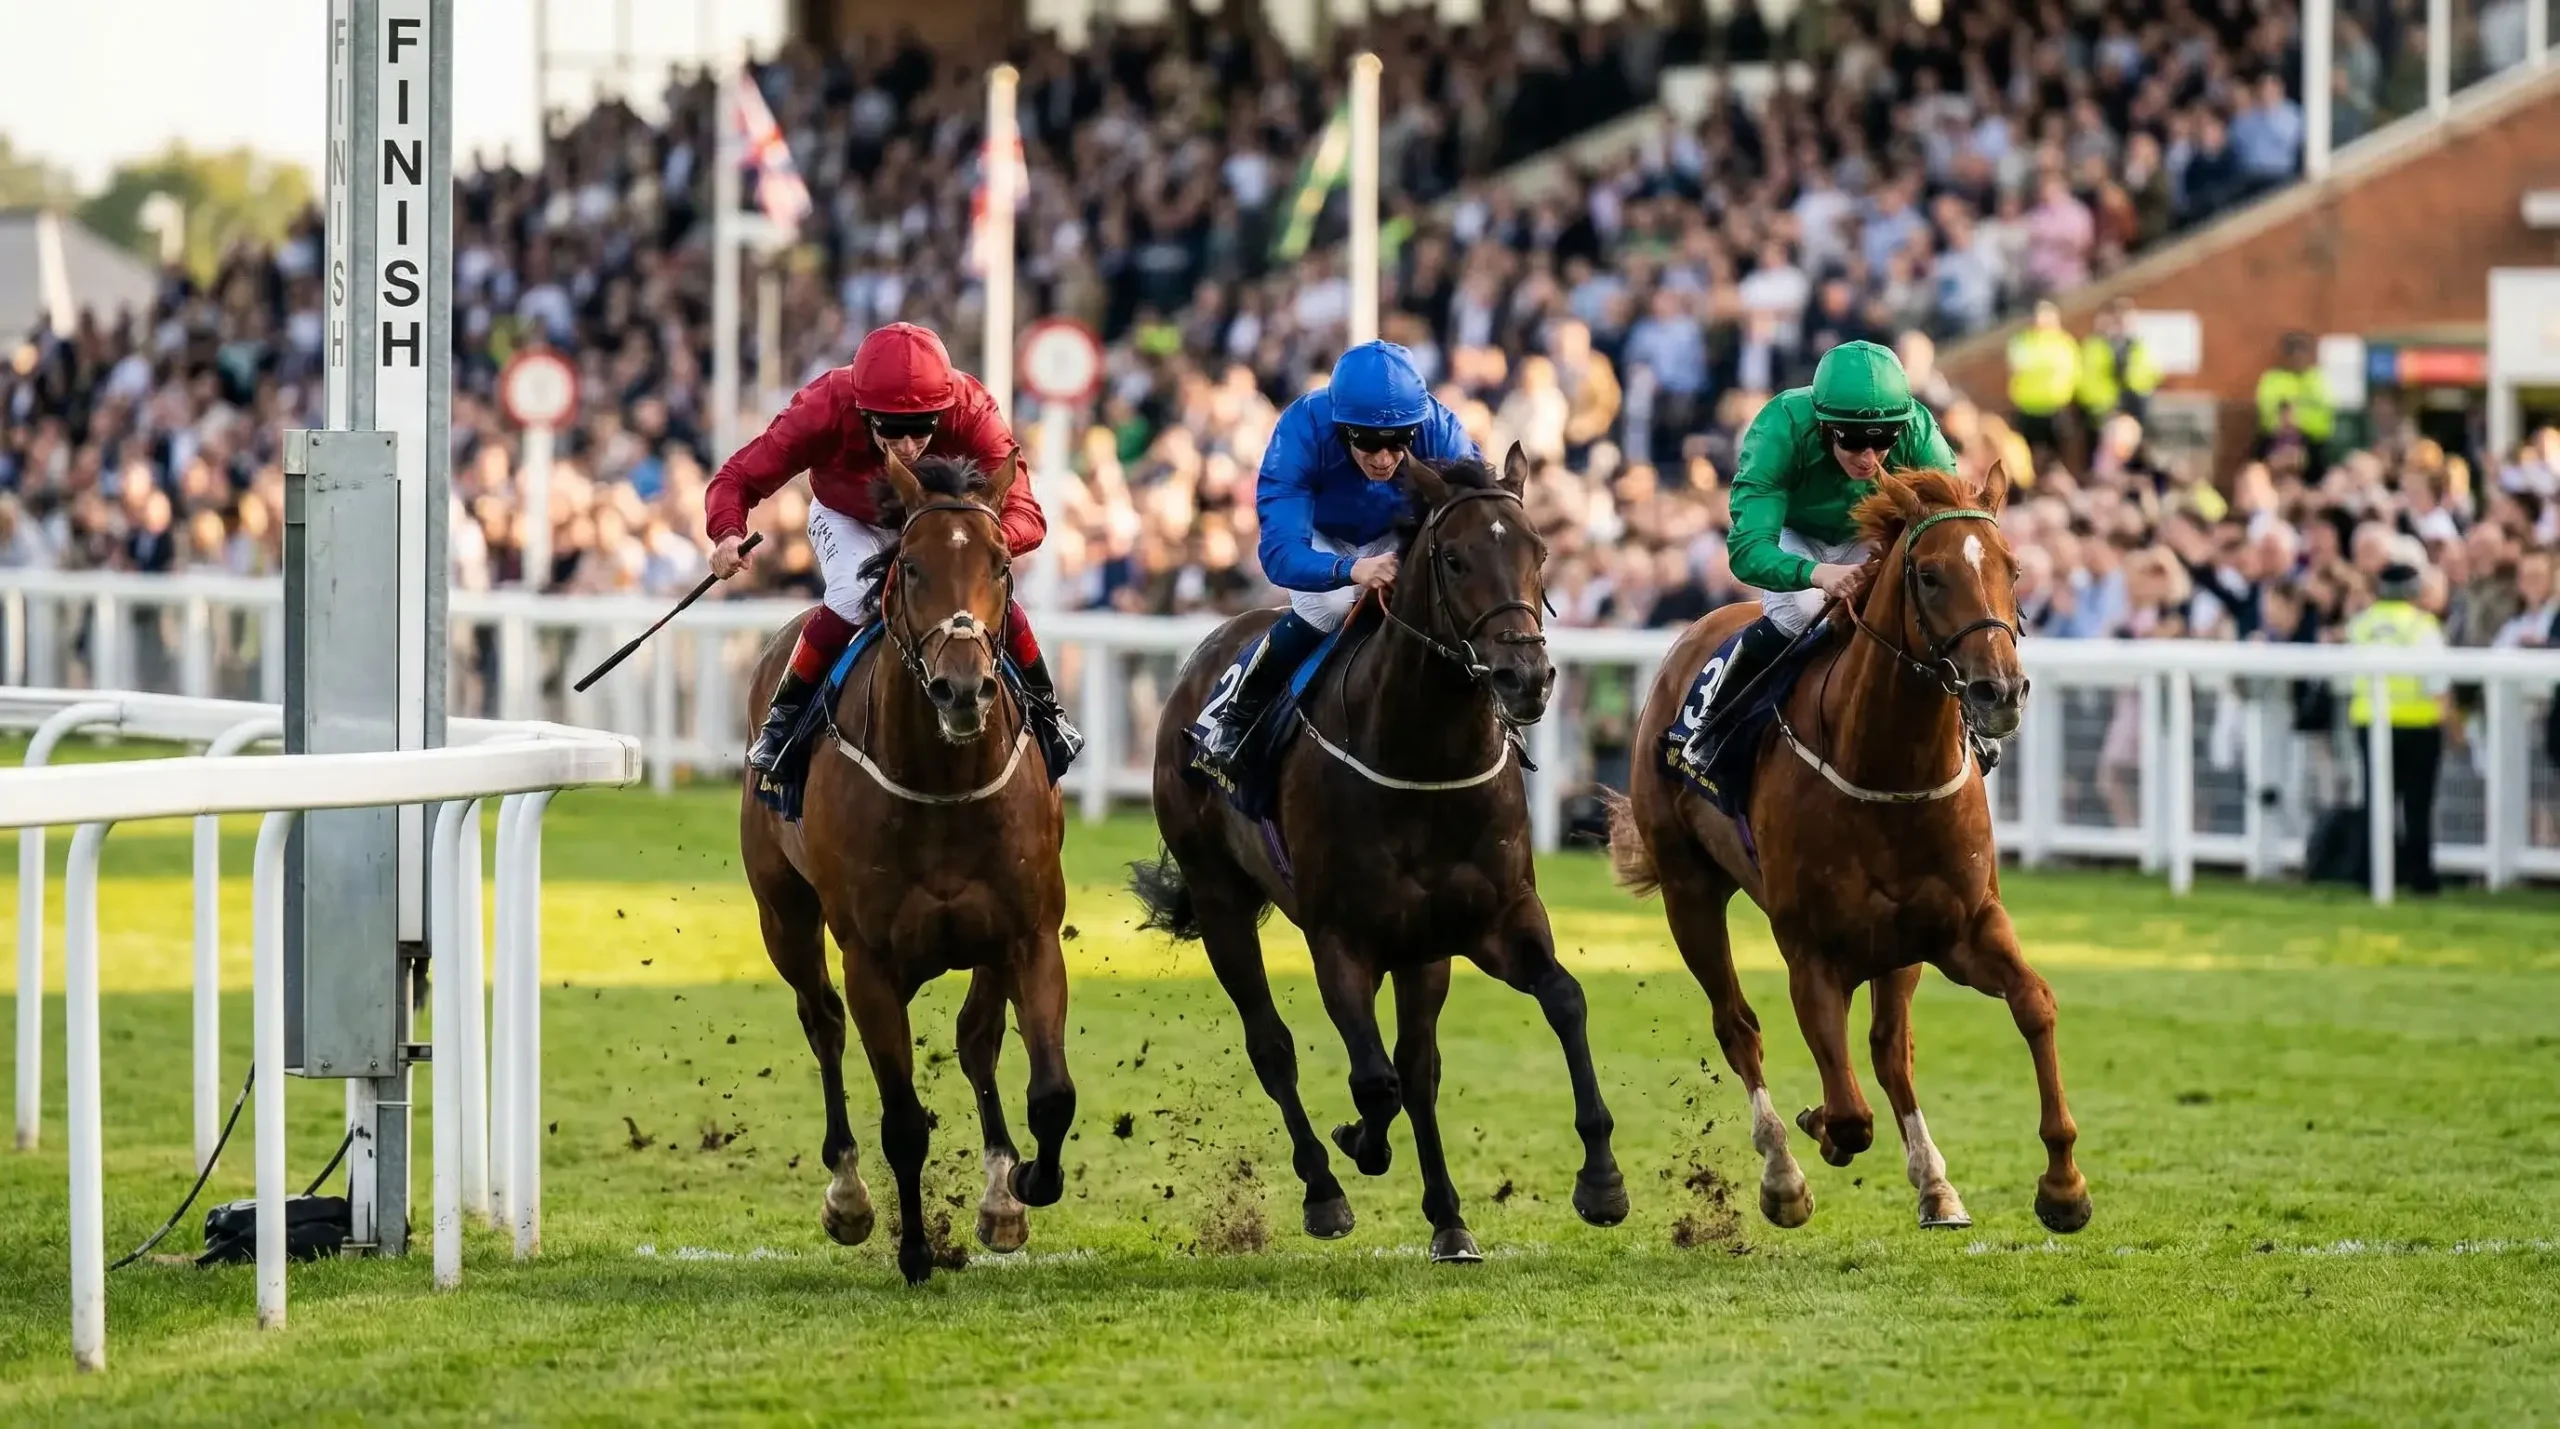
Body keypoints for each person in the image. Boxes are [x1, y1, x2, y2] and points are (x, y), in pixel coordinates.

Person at [706, 322, 1081, 775]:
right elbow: (739, 477)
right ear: (863, 413)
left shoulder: (971, 407)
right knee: (852, 595)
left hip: (939, 524)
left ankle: (1047, 711)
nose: (908, 447)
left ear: (944, 410)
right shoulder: (824, 404)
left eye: (922, 428)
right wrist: (727, 531)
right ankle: (782, 722)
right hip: (848, 518)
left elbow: (1026, 512)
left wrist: (974, 543)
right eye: (892, 429)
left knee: (981, 596)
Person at [1690, 338, 2005, 771]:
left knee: (1923, 609)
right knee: (1800, 611)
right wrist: (1818, 573)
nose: (1870, 459)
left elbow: (1953, 532)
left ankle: (1967, 719)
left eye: (1884, 441)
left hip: (1871, 535)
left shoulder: (1919, 429)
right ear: (1823, 426)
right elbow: (1748, 551)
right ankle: (1716, 726)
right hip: (1795, 533)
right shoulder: (1779, 429)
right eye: (1854, 441)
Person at [1193, 340, 1479, 778]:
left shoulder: (1439, 428)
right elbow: (1280, 554)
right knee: (1329, 606)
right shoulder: (1302, 431)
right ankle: (1236, 717)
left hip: (1400, 531)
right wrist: (1350, 570)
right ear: (1342, 428)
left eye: (1399, 441)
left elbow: (1476, 516)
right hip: (1323, 536)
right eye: (1367, 442)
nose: (1385, 458)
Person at [2345, 561, 2453, 895]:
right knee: (2417, 806)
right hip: (2418, 725)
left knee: (2376, 803)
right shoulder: (2423, 627)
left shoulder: (2362, 624)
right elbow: (2438, 684)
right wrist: (2452, 727)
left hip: (2370, 722)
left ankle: (2370, 873)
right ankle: (2420, 878)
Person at [2006, 300, 2080, 471]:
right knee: (2029, 459)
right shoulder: (2022, 341)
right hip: (2028, 410)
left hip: (2056, 409)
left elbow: (2072, 372)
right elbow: (2017, 368)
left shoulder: (2064, 342)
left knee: (2059, 457)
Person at [2255, 332, 2334, 479]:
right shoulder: (2273, 379)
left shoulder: (2316, 379)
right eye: (2294, 353)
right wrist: (2285, 422)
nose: (2299, 358)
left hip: (2311, 440)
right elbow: (2266, 413)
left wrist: (2300, 421)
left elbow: (2324, 413)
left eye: (2302, 352)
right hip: (2276, 438)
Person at [2076, 297, 2161, 430]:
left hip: (2134, 402)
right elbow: (2088, 377)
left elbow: (2152, 372)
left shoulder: (2137, 345)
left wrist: (2141, 391)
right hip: (2103, 405)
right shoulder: (2095, 345)